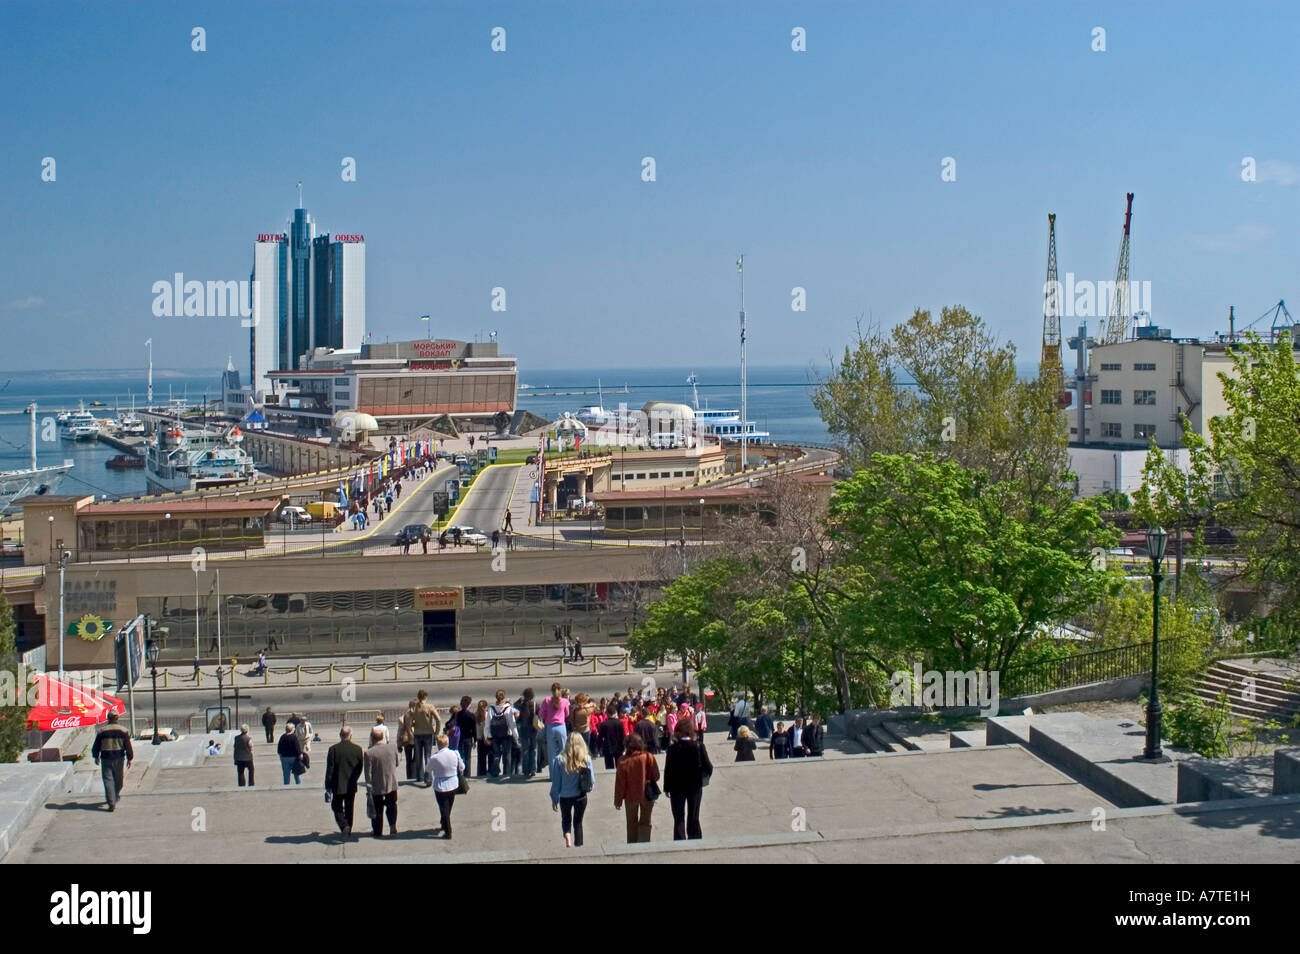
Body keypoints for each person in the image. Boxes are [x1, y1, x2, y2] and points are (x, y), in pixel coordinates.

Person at [664, 720, 711, 840]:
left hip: (676, 786)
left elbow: (668, 769)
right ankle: (694, 836)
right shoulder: (699, 746)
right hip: (695, 785)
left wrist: (667, 787)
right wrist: (704, 777)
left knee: (678, 816)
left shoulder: (672, 748)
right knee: (694, 813)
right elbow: (708, 766)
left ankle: (679, 837)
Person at [549, 732, 594, 848]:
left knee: (566, 819)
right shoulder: (586, 759)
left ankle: (568, 836)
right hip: (581, 795)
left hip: (565, 796)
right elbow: (592, 780)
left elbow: (556, 783)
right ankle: (578, 844)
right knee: (578, 822)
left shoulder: (559, 760)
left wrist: (554, 799)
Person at [614, 732, 660, 843]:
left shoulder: (622, 761)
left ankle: (632, 844)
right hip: (647, 795)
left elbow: (620, 783)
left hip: (630, 797)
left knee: (631, 823)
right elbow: (656, 776)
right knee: (645, 821)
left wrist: (618, 800)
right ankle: (644, 842)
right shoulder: (648, 757)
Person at [324, 727, 365, 842]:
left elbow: (330, 769)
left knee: (336, 806)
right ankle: (348, 830)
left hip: (337, 784)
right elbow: (360, 767)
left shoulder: (333, 749)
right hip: (351, 784)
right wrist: (354, 779)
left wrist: (328, 785)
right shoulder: (358, 749)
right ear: (350, 735)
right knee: (349, 808)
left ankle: (344, 826)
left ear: (340, 735)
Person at [91, 711, 133, 812]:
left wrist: (96, 756)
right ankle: (115, 795)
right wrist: (129, 758)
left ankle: (111, 802)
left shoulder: (102, 731)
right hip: (119, 758)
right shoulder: (123, 731)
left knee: (108, 780)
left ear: (108, 718)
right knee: (119, 780)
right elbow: (128, 746)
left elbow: (96, 746)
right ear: (117, 718)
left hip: (106, 758)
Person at [364, 727, 401, 838]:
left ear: (372, 738)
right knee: (392, 806)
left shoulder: (369, 753)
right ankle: (392, 825)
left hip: (377, 785)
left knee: (377, 808)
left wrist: (368, 787)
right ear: (383, 737)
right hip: (391, 782)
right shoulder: (393, 747)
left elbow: (368, 773)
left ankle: (377, 830)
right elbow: (397, 763)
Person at [426, 733, 465, 839]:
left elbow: (428, 769)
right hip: (453, 783)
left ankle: (448, 831)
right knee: (448, 806)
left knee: (443, 808)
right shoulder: (455, 753)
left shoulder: (435, 757)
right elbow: (462, 767)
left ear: (438, 744)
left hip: (440, 785)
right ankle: (444, 822)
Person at [487, 689, 518, 779]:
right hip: (507, 735)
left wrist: (487, 736)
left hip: (495, 735)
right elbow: (512, 723)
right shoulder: (508, 708)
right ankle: (506, 773)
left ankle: (495, 770)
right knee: (507, 754)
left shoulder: (491, 708)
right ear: (504, 697)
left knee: (496, 753)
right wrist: (516, 736)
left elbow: (488, 723)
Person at [411, 690, 440, 784]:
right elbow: (438, 719)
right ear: (425, 697)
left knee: (418, 756)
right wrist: (436, 732)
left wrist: (411, 729)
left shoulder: (415, 707)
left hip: (417, 733)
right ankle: (428, 777)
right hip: (428, 733)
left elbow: (410, 720)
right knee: (427, 755)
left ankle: (419, 777)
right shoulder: (429, 707)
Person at [539, 682, 570, 768]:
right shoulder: (564, 701)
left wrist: (547, 716)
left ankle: (553, 776)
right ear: (560, 690)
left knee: (551, 753)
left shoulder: (547, 700)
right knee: (563, 751)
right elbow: (567, 714)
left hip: (550, 727)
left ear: (551, 691)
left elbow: (541, 714)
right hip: (561, 727)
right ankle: (564, 771)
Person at [515, 688, 539, 778]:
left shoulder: (521, 704)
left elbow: (514, 707)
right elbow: (539, 714)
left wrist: (519, 700)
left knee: (525, 750)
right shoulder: (535, 704)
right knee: (533, 749)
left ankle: (525, 770)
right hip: (533, 729)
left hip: (524, 730)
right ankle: (533, 769)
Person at [598, 702, 626, 769]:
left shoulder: (603, 724)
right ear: (615, 713)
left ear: (607, 714)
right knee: (619, 766)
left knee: (609, 767)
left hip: (607, 747)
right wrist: (624, 746)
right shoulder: (619, 723)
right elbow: (623, 736)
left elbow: (600, 737)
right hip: (618, 746)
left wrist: (599, 747)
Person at [455, 696, 477, 772]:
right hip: (468, 738)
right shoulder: (472, 716)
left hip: (459, 738)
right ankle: (467, 774)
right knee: (468, 758)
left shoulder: (457, 715)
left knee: (460, 757)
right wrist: (475, 740)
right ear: (469, 704)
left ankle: (460, 774)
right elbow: (474, 729)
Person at [398, 700, 418, 781]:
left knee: (410, 759)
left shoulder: (403, 717)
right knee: (414, 759)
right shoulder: (404, 717)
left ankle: (411, 776)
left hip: (410, 739)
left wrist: (399, 744)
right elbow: (400, 731)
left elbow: (400, 732)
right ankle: (413, 776)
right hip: (413, 739)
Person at [474, 700, 491, 778]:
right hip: (487, 738)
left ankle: (481, 772)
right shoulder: (488, 715)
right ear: (486, 707)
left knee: (481, 758)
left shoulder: (475, 715)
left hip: (479, 738)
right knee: (490, 756)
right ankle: (490, 771)